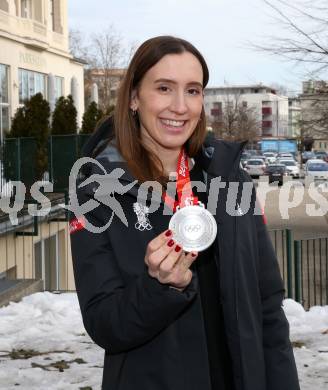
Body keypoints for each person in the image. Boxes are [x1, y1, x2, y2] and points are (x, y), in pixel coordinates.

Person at [69, 36, 300, 390]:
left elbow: (267, 305)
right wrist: (157, 287)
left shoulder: (228, 177)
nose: (180, 106)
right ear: (134, 97)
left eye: (193, 90)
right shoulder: (95, 192)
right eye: (164, 88)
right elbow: (105, 325)